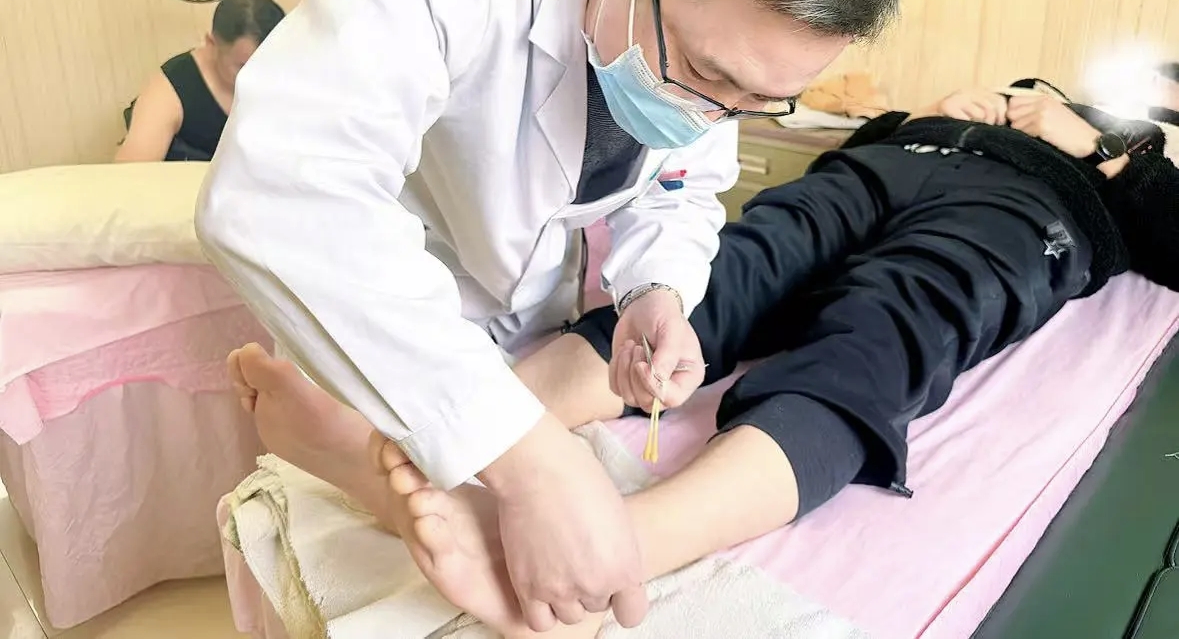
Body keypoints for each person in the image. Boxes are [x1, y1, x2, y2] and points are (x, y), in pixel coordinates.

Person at [196, 0, 903, 632]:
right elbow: (284, 188)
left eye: (758, 101)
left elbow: (681, 182)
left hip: (527, 317)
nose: (717, 116)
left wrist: (656, 289)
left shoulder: (713, 32)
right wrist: (530, 460)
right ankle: (382, 457)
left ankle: (381, 464)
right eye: (705, 75)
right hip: (394, 307)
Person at [228, 85, 1177, 638]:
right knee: (705, 288)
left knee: (881, 334)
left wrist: (1101, 147)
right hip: (883, 164)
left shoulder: (1129, 143)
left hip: (1026, 210)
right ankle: (443, 440)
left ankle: (610, 551)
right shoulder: (972, 104)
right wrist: (924, 112)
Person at [115, 0, 285, 162]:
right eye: (244, 67)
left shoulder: (289, 73)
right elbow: (130, 173)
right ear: (212, 45)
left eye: (270, 66)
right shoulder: (170, 92)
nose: (260, 78)